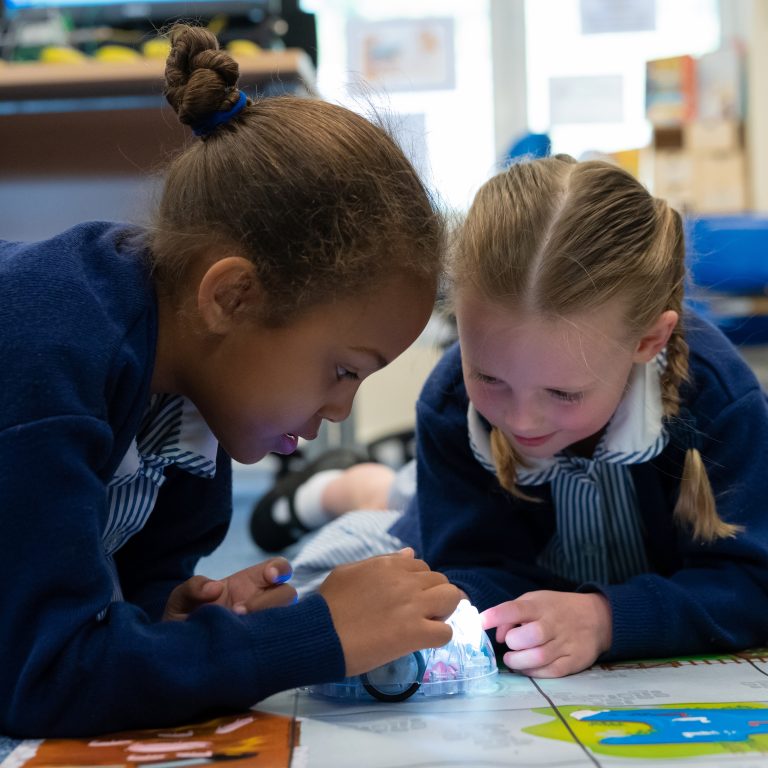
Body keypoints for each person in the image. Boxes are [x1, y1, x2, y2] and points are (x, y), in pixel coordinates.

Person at [0, 23, 462, 738]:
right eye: (342, 371)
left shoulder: (200, 401)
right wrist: (315, 635)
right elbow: (48, 676)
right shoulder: (46, 351)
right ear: (232, 298)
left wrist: (172, 619)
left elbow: (114, 610)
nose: (337, 409)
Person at [283, 154, 768, 678]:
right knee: (336, 567)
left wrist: (606, 619)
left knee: (395, 496)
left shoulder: (720, 398)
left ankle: (365, 484)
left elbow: (751, 585)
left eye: (563, 392)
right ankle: (339, 489)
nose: (523, 421)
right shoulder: (449, 401)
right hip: (433, 514)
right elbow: (467, 566)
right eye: (489, 379)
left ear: (648, 340)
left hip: (592, 569)